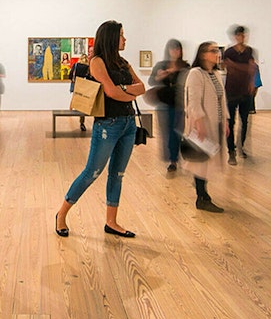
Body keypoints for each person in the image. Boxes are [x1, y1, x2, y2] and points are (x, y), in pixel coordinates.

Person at [55, 21, 146, 239]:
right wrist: (127, 91)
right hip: (107, 125)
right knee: (92, 172)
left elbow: (142, 87)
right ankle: (61, 215)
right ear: (111, 37)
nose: (125, 39)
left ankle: (111, 222)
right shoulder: (97, 62)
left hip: (128, 124)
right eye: (122, 35)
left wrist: (123, 90)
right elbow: (111, 92)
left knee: (118, 174)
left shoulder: (123, 62)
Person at [184, 41, 228, 213]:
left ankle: (204, 195)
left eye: (217, 50)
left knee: (207, 161)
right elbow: (193, 101)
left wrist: (225, 121)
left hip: (215, 122)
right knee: (200, 161)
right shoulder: (196, 73)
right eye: (213, 50)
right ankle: (202, 197)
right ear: (203, 54)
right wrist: (199, 123)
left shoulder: (216, 74)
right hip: (202, 124)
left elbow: (221, 100)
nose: (217, 53)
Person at [149, 39, 189, 172]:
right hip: (164, 104)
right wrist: (159, 77)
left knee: (177, 132)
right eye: (172, 49)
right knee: (167, 133)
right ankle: (173, 159)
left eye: (177, 49)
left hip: (180, 104)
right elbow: (151, 81)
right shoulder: (161, 65)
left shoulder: (185, 66)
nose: (175, 51)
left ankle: (174, 158)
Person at [223, 25, 257, 165]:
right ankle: (231, 151)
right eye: (239, 35)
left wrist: (237, 67)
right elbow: (228, 66)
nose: (241, 37)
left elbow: (253, 69)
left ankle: (240, 147)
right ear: (235, 36)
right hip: (231, 91)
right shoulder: (229, 52)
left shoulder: (249, 51)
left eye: (243, 35)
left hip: (245, 91)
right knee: (230, 122)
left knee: (245, 121)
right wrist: (245, 68)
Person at [69, 47, 93, 132]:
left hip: (75, 83)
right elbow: (89, 78)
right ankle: (81, 121)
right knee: (83, 102)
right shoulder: (87, 67)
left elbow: (70, 75)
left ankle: (70, 112)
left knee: (74, 97)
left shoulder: (75, 65)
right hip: (83, 85)